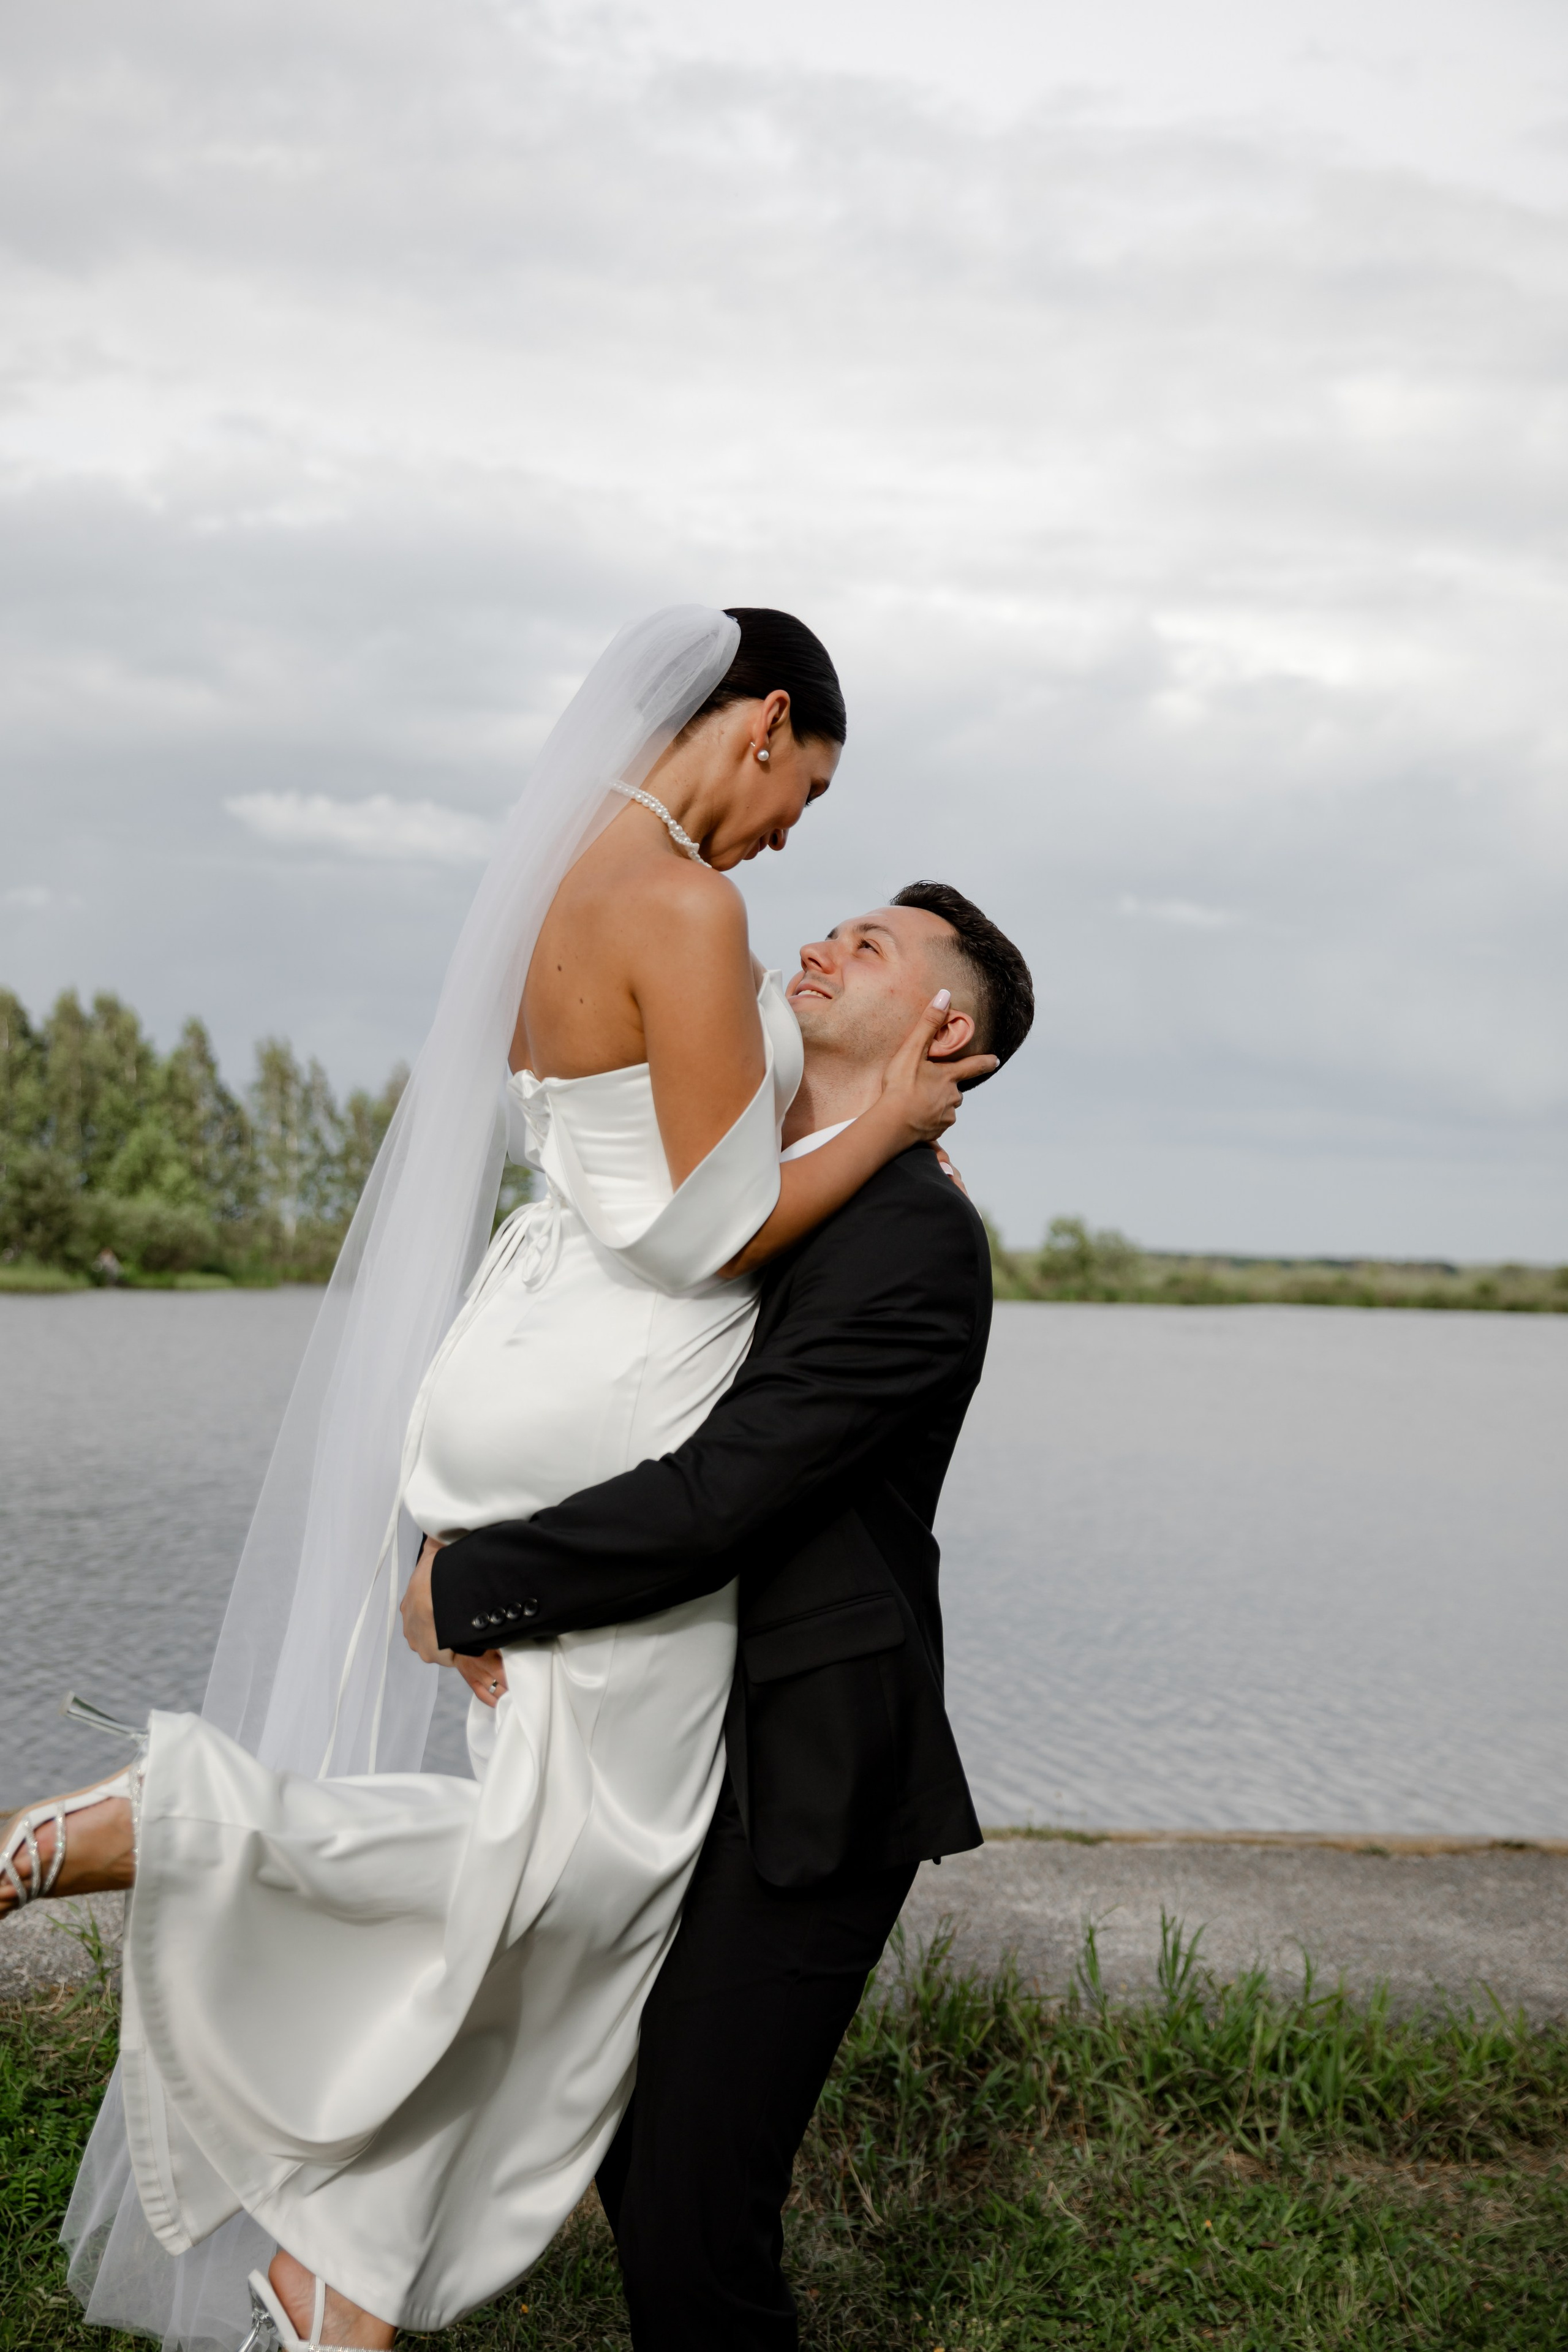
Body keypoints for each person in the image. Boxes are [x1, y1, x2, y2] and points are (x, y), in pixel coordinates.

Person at [2, 608, 993, 2352]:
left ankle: (340, 2280)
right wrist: (887, 1129)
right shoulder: (695, 907)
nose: (795, 854)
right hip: (606, 1392)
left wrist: (474, 1560)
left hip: (514, 1354)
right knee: (579, 1879)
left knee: (542, 1869)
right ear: (761, 722)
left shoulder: (575, 875)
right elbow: (699, 1233)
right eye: (806, 793)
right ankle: (170, 1831)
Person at [402, 879, 1035, 2351]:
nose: (818, 941)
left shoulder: (910, 1244)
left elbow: (720, 1496)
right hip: (647, 1734)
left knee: (692, 2203)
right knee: (616, 2141)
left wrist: (475, 1580)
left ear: (945, 1026)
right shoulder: (737, 1182)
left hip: (796, 1776)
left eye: (869, 945)